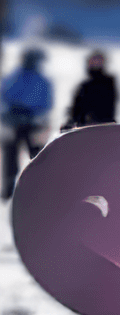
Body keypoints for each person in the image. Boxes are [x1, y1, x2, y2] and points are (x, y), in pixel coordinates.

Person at [1, 46, 53, 201]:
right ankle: (9, 190)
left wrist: (37, 117)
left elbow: (46, 103)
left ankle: (37, 190)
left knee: (36, 157)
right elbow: (4, 97)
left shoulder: (42, 81)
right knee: (11, 158)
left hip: (33, 124)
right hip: (14, 122)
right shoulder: (13, 77)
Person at [63, 49, 118, 130]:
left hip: (103, 126)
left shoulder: (108, 83)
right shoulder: (84, 86)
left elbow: (107, 107)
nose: (95, 64)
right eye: (93, 62)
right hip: (84, 127)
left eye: (98, 62)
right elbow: (76, 109)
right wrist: (71, 121)